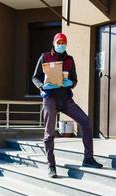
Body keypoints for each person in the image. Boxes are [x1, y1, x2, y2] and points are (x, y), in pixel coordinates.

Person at [32, 33, 103, 178]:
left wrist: (70, 83)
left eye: (63, 42)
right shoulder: (44, 57)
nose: (61, 44)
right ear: (54, 43)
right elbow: (35, 77)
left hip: (65, 99)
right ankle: (51, 165)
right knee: (49, 133)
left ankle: (88, 158)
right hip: (50, 98)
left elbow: (74, 79)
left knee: (85, 121)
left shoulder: (70, 60)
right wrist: (42, 86)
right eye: (59, 42)